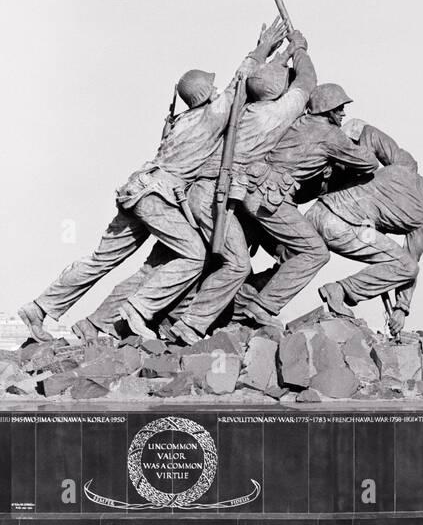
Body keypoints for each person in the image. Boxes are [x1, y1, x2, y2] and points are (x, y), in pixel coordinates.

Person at [18, 21, 284, 343]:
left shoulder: (181, 121)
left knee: (103, 260)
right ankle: (137, 310)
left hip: (137, 191)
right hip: (156, 198)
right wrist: (263, 49)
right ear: (204, 95)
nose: (217, 91)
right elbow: (238, 85)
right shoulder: (209, 118)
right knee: (194, 255)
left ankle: (41, 308)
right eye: (211, 89)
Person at [163, 29, 324, 341]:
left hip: (206, 191)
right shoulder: (277, 113)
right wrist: (300, 50)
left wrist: (273, 52)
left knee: (219, 257)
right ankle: (190, 324)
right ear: (279, 92)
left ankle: (184, 317)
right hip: (213, 195)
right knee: (237, 263)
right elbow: (308, 83)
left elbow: (244, 78)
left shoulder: (238, 106)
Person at [308, 164, 423, 337]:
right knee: (408, 267)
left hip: (317, 211)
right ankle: (340, 290)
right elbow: (409, 262)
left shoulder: (400, 169)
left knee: (387, 256)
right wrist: (401, 308)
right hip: (340, 226)